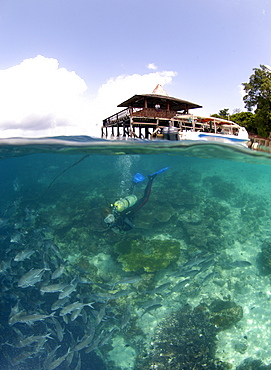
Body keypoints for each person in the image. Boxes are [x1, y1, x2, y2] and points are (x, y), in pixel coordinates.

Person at [103, 167, 169, 233]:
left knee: (146, 198)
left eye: (110, 218)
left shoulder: (121, 217)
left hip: (133, 209)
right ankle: (134, 182)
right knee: (129, 194)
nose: (110, 221)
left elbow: (131, 226)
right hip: (127, 202)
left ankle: (151, 179)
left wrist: (122, 231)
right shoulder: (113, 209)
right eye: (107, 220)